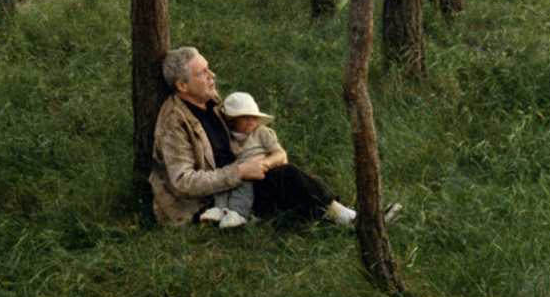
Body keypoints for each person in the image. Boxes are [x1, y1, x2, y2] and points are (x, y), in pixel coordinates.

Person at [149, 46, 400, 227]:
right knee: (290, 181)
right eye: (202, 72)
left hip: (240, 182)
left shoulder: (212, 103)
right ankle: (357, 222)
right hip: (209, 202)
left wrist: (264, 159)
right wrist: (239, 172)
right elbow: (183, 181)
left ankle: (349, 219)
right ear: (182, 86)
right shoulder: (174, 121)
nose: (212, 75)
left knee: (288, 178)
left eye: (208, 69)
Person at [200, 91, 285, 229]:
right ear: (231, 120)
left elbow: (280, 154)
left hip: (258, 171)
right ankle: (220, 208)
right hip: (237, 168)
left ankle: (238, 212)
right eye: (245, 117)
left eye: (254, 117)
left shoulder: (261, 132)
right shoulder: (227, 137)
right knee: (226, 175)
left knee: (243, 183)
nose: (251, 121)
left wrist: (265, 163)